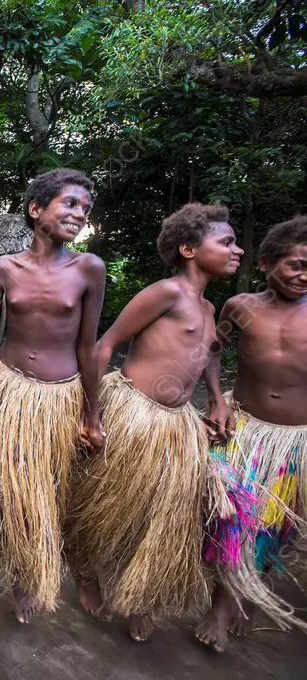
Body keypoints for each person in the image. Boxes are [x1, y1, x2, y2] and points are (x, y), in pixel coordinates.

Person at [68, 202, 243, 643]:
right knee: (105, 503)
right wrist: (93, 413)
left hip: (176, 425)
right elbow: (104, 346)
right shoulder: (166, 293)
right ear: (188, 248)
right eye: (226, 242)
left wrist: (218, 399)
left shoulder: (207, 307)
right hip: (134, 415)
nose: (235, 250)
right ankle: (86, 572)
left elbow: (210, 355)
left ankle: (139, 594)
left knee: (161, 512)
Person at [0, 169, 105, 655]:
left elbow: (88, 349)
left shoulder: (89, 270)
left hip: (59, 401)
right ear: (36, 209)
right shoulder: (5, 268)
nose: (79, 214)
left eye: (84, 208)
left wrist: (92, 414)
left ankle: (25, 572)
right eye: (69, 203)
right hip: (9, 393)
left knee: (43, 495)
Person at [195, 215, 307, 652]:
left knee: (277, 526)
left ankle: (250, 592)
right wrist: (215, 399)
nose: (303, 275)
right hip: (244, 428)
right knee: (235, 517)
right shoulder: (240, 306)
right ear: (266, 263)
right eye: (295, 265)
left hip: (296, 439)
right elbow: (211, 349)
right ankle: (223, 602)